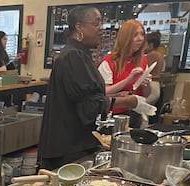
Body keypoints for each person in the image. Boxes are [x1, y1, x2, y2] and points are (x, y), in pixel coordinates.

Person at [38, 6, 156, 170]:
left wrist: (121, 95)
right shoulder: (73, 56)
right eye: (96, 24)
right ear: (79, 27)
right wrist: (129, 102)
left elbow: (90, 94)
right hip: (69, 147)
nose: (102, 28)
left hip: (74, 143)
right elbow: (90, 105)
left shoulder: (79, 53)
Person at [98, 19, 151, 128]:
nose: (140, 38)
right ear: (125, 37)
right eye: (135, 35)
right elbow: (104, 92)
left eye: (142, 34)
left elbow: (145, 94)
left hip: (135, 113)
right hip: (113, 116)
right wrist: (128, 79)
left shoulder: (142, 60)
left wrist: (147, 83)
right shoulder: (109, 62)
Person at [145, 30, 165, 108]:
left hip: (150, 86)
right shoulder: (160, 55)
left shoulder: (151, 55)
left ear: (151, 45)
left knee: (140, 108)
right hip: (156, 86)